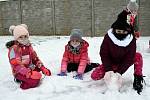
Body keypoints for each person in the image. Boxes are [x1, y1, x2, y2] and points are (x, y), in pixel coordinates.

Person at [91, 19, 144, 94]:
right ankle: (111, 72)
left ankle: (137, 78)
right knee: (94, 76)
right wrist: (108, 69)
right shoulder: (108, 37)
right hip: (111, 63)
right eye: (118, 31)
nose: (121, 33)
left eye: (124, 32)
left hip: (123, 63)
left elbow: (130, 57)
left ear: (128, 31)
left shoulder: (131, 39)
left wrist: (119, 72)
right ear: (114, 30)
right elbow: (104, 53)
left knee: (138, 56)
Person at [6, 24, 51, 89]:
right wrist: (27, 72)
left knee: (40, 72)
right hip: (19, 72)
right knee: (36, 80)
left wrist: (43, 68)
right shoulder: (14, 49)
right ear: (16, 38)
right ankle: (22, 83)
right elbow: (16, 65)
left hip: (29, 68)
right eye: (20, 37)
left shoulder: (29, 46)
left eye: (25, 36)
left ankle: (29, 77)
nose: (24, 38)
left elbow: (35, 59)